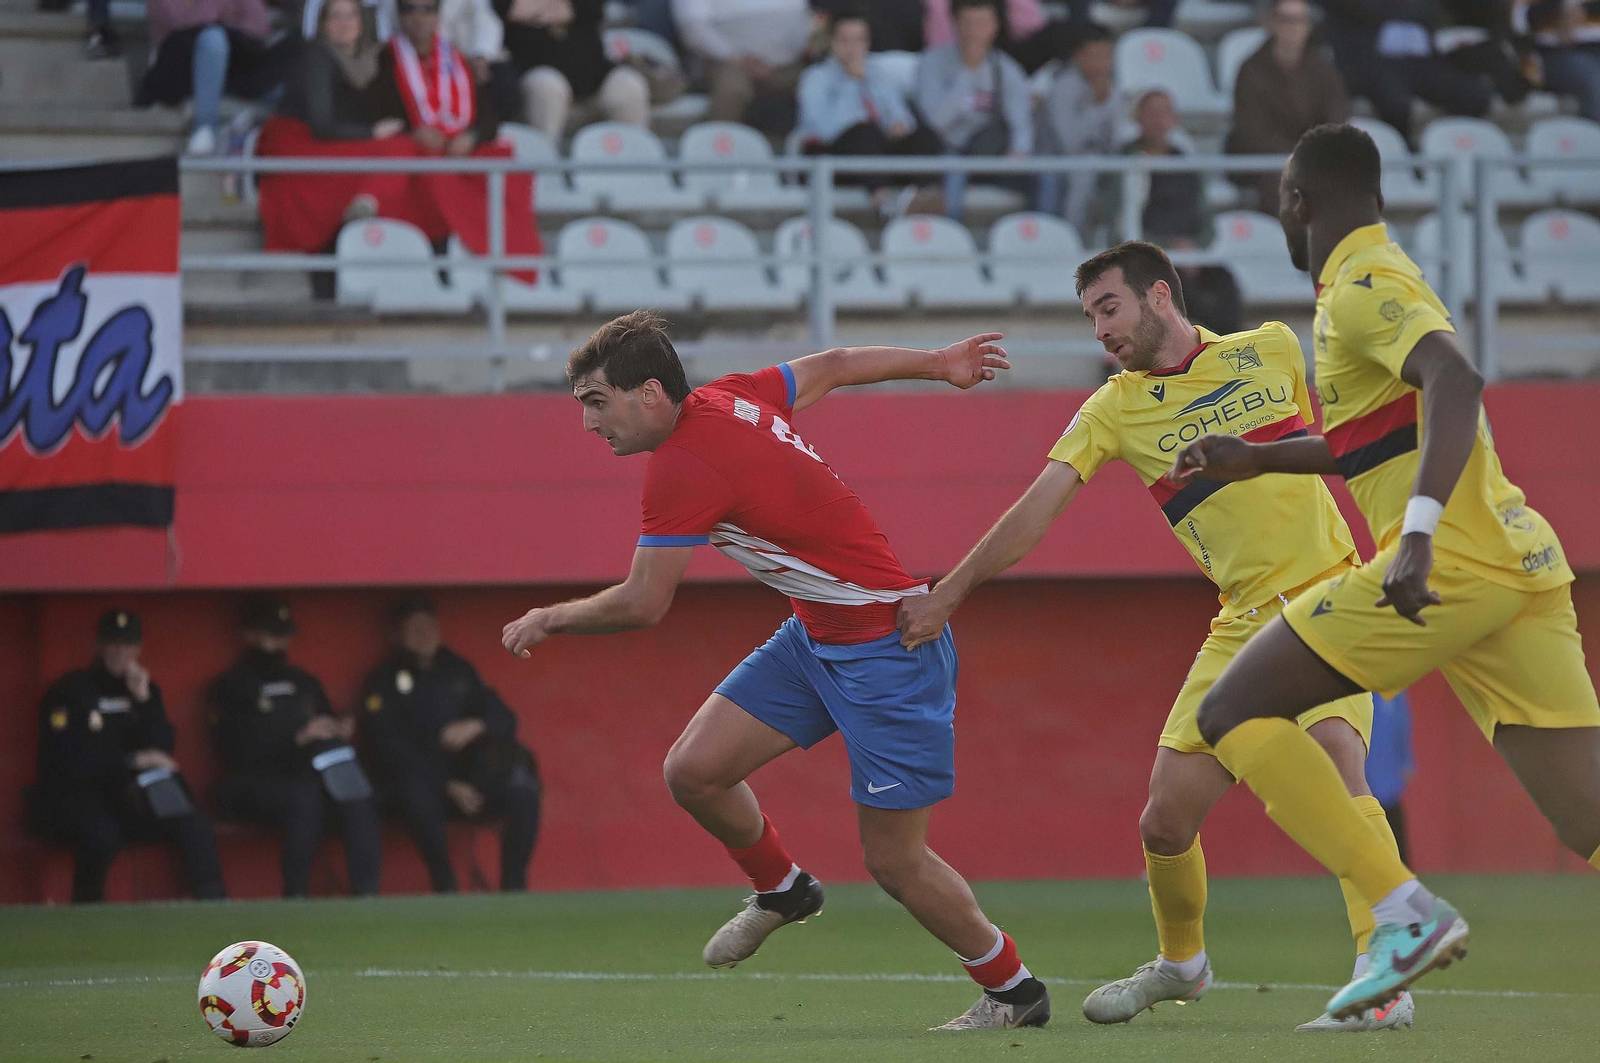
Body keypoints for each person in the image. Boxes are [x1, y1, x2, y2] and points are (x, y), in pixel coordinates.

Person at [896, 241, 1413, 1035]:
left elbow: (1349, 441)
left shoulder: (1270, 349)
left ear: (1160, 296)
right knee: (1164, 822)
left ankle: (1384, 977)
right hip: (1240, 618)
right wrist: (951, 591)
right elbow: (1037, 508)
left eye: (1109, 307)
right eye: (1089, 316)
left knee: (1342, 763)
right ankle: (1183, 962)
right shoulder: (1114, 407)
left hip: (1327, 596)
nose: (1100, 329)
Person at [500, 311, 1052, 1031]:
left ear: (649, 393)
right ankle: (784, 889)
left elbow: (643, 602)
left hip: (891, 650)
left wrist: (553, 616)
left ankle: (1015, 989)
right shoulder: (730, 393)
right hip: (815, 638)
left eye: (595, 402)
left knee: (894, 861)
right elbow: (836, 363)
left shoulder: (682, 466)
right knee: (694, 770)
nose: (588, 423)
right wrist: (938, 361)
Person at [1166, 121, 1600, 1022]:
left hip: (1450, 564)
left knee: (1232, 711)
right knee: (1588, 820)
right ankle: (1401, 911)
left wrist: (1418, 535)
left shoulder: (1360, 287)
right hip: (1518, 562)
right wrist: (1259, 458)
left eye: (1281, 208)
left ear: (1299, 203)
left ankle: (1403, 912)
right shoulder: (1375, 280)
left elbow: (1458, 379)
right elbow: (1384, 434)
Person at [26, 610, 226, 904]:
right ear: (100, 646)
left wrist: (144, 700)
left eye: (128, 645)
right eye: (114, 644)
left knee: (191, 824)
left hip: (128, 798)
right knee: (101, 836)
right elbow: (69, 761)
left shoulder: (142, 689)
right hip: (76, 797)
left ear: (138, 649)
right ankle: (87, 909)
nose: (121, 653)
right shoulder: (71, 691)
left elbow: (161, 746)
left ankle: (214, 905)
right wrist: (131, 762)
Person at [360, 595, 541, 893]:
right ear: (396, 634)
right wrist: (445, 784)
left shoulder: (457, 670)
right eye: (415, 628)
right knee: (416, 794)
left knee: (522, 794)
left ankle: (514, 887)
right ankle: (444, 884)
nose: (425, 635)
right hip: (423, 786)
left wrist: (477, 725)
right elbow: (387, 748)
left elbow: (504, 717)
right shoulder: (382, 681)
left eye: (429, 627)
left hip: (472, 783)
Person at [209, 596, 384, 898]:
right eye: (271, 635)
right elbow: (235, 749)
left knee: (354, 790)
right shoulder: (231, 686)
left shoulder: (304, 682)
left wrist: (338, 728)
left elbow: (325, 719)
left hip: (313, 775)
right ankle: (296, 894)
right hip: (256, 782)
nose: (279, 644)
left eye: (284, 636)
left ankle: (367, 894)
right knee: (304, 797)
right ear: (250, 635)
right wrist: (295, 738)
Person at [370, 0, 545, 283]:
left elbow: (487, 117)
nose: (419, 17)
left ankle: (502, 271)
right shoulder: (384, 61)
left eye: (427, 9)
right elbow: (376, 114)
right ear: (399, 16)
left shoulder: (456, 59)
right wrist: (410, 130)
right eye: (410, 9)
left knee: (505, 170)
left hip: (459, 152)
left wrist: (471, 136)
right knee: (433, 177)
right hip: (421, 157)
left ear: (438, 16)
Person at [258, 0, 418, 266]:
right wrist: (371, 132)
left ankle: (368, 202)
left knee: (403, 145)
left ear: (361, 22)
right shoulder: (317, 56)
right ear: (323, 25)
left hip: (335, 136)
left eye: (351, 16)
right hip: (299, 138)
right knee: (399, 148)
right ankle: (368, 200)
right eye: (336, 17)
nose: (344, 24)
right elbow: (322, 124)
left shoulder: (370, 59)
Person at [797, 8, 941, 208]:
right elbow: (822, 129)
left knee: (924, 136)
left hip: (875, 152)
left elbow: (899, 113)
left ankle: (926, 201)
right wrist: (851, 81)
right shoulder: (816, 78)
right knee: (864, 133)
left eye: (859, 40)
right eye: (845, 40)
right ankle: (884, 204)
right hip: (832, 157)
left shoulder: (877, 73)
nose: (852, 48)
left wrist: (898, 125)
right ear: (831, 41)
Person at [915, 0, 1041, 221]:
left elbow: (1020, 126)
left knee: (1044, 177)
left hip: (991, 157)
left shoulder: (1007, 69)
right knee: (954, 170)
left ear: (995, 25)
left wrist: (1016, 157)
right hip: (946, 153)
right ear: (954, 23)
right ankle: (952, 244)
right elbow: (935, 122)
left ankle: (1040, 244)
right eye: (968, 23)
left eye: (981, 23)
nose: (974, 31)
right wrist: (967, 73)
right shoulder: (932, 62)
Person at [1225, 0, 1350, 214]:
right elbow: (1250, 129)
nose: (1293, 27)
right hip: (1265, 160)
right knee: (1283, 180)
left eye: (1300, 20)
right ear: (1272, 24)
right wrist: (1296, 155)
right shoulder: (1251, 70)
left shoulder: (1323, 69)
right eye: (1286, 20)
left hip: (1312, 156)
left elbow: (1336, 116)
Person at [136, 0, 294, 156]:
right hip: (178, 69)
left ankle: (291, 132)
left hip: (230, 70)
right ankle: (205, 128)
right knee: (213, 39)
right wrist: (223, 22)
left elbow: (259, 27)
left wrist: (226, 26)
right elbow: (180, 23)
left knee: (287, 52)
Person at [496, 0, 650, 141]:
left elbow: (591, 9)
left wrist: (536, 11)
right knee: (547, 86)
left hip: (593, 81)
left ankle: (638, 167)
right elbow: (512, 10)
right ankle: (545, 166)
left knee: (629, 85)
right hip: (535, 77)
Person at [1041, 24, 1128, 239]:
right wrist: (1097, 107)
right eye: (1094, 55)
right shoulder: (1062, 87)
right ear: (1077, 56)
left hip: (1101, 162)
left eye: (1106, 55)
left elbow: (1117, 141)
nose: (1101, 63)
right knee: (1084, 172)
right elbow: (1069, 143)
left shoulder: (1111, 89)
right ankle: (1074, 240)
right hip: (1055, 163)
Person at [672, 0, 813, 126]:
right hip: (728, 62)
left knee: (818, 84)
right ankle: (720, 149)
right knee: (732, 90)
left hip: (790, 63)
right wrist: (737, 57)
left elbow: (807, 21)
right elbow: (692, 28)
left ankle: (815, 151)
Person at [1517, 0, 1600, 123]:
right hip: (1556, 53)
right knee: (1593, 78)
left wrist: (1585, 8)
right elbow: (1518, 20)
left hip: (1594, 48)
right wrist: (1562, 9)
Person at [1366, 691, 1415, 863]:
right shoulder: (1350, 688)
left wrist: (1406, 761)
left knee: (1390, 812)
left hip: (1385, 763)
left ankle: (1402, 869)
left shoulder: (1391, 691)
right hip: (1364, 761)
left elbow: (1402, 724)